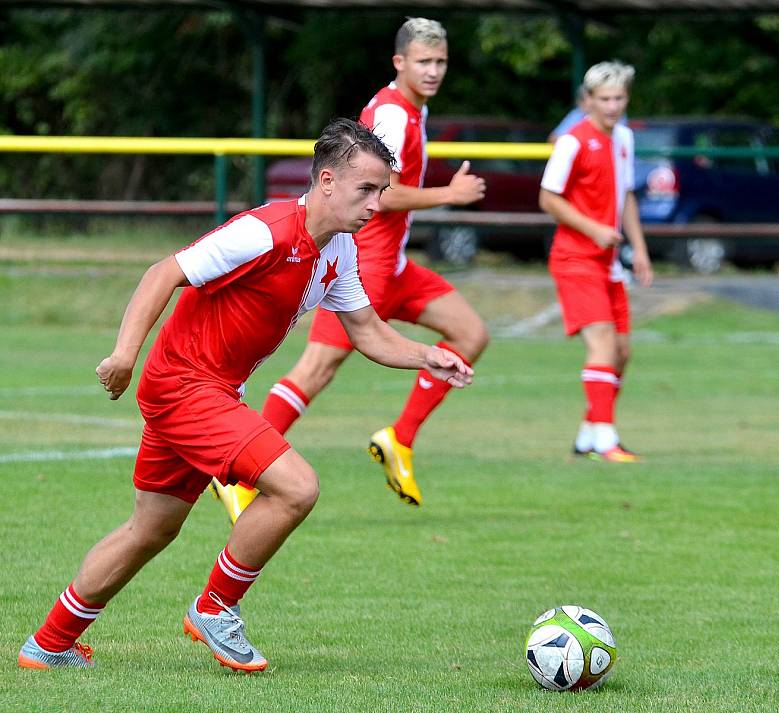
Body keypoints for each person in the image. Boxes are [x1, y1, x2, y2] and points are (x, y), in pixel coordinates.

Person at [17, 118, 472, 671]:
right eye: (368, 189)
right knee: (297, 487)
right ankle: (214, 608)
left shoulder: (339, 251)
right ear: (327, 181)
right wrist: (123, 355)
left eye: (381, 190)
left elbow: (369, 331)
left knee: (151, 528)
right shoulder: (266, 231)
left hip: (204, 389)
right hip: (185, 385)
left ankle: (49, 644)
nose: (379, 203)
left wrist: (430, 355)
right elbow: (163, 272)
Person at [211, 17, 487, 522]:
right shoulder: (393, 117)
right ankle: (233, 475)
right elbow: (380, 195)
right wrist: (451, 195)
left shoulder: (413, 112)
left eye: (441, 61)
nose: (433, 71)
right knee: (317, 368)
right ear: (399, 62)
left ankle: (398, 440)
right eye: (423, 61)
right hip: (366, 258)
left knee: (469, 332)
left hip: (396, 262)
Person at [538, 61, 653, 462]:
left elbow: (627, 196)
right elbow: (548, 198)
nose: (612, 106)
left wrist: (638, 249)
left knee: (622, 351)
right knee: (602, 344)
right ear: (589, 100)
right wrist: (593, 229)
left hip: (609, 261)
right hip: (574, 258)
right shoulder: (572, 141)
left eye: (619, 97)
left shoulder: (623, 138)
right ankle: (606, 440)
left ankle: (589, 433)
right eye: (604, 99)